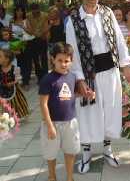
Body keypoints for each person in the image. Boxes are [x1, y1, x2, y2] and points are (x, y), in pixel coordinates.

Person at [66, 0, 130, 173]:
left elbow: (119, 40)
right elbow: (72, 51)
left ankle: (107, 149)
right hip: (89, 74)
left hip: (110, 71)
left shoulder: (107, 12)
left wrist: (126, 67)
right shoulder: (73, 19)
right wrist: (79, 80)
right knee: (88, 113)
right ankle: (86, 154)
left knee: (110, 109)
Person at [39, 43, 82, 181]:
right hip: (52, 124)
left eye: (66, 61)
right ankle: (52, 176)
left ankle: (70, 177)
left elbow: (71, 94)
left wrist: (86, 94)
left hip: (70, 122)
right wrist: (50, 125)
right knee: (50, 153)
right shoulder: (47, 79)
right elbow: (43, 104)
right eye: (60, 61)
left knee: (70, 151)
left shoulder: (72, 77)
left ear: (71, 61)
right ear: (53, 59)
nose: (63, 64)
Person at [10, 5, 35, 90]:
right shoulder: (12, 21)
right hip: (16, 45)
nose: (19, 13)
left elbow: (31, 32)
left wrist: (22, 26)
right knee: (20, 63)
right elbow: (10, 33)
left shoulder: (26, 21)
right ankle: (23, 79)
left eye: (21, 11)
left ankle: (26, 82)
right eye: (18, 11)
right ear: (15, 12)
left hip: (26, 44)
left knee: (27, 63)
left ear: (23, 12)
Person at [0, 48, 29, 118]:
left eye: (0, 56)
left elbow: (18, 78)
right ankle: (4, 115)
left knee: (15, 102)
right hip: (1, 88)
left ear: (7, 59)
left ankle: (17, 115)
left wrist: (12, 83)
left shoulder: (15, 68)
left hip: (13, 89)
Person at [26, 3, 49, 83]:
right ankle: (39, 77)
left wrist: (42, 34)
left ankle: (45, 77)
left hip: (42, 38)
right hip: (33, 40)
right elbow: (28, 27)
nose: (36, 12)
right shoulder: (28, 16)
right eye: (34, 11)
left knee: (44, 58)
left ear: (39, 8)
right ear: (31, 10)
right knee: (35, 59)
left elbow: (46, 27)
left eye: (37, 10)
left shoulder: (45, 15)